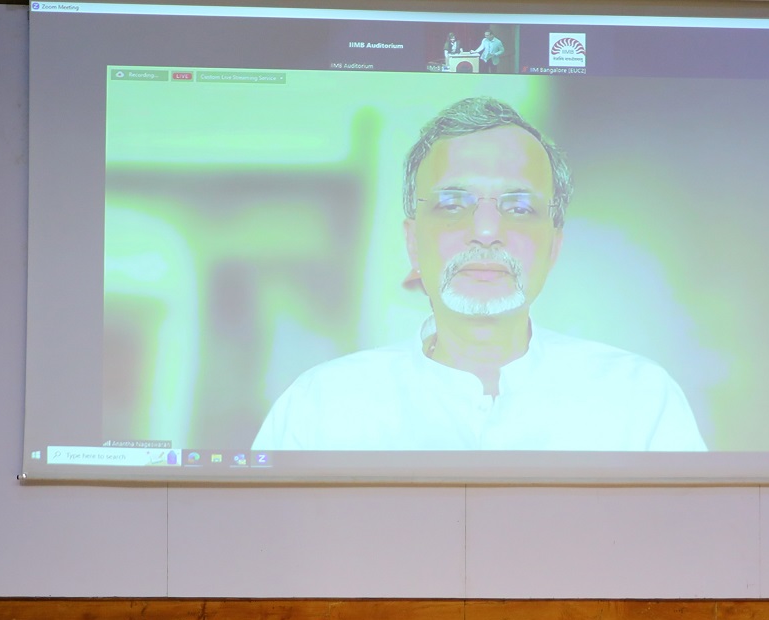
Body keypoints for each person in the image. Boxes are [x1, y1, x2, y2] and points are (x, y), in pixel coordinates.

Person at [252, 96, 705, 452]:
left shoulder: (638, 401)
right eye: (453, 205)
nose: (486, 231)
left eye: (519, 207)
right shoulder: (322, 405)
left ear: (554, 246)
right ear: (413, 242)